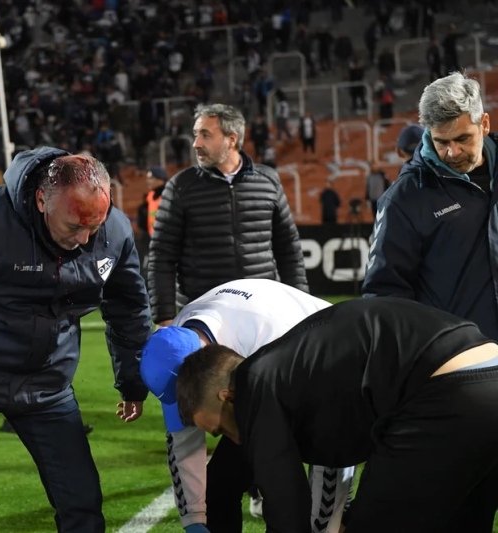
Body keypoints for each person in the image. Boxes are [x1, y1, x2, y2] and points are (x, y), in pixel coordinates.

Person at [0, 148, 151, 533]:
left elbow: (129, 306)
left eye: (95, 224)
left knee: (83, 506)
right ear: (42, 200)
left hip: (48, 385)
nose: (85, 238)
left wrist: (133, 381)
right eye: (74, 225)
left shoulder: (115, 231)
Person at [176, 297, 498, 532]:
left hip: (444, 391)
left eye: (221, 429)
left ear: (227, 396)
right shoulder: (288, 365)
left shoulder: (255, 381)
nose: (234, 441)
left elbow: (286, 507)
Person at [140, 279, 354, 533]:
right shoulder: (178, 338)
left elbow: (332, 437)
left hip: (340, 386)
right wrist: (195, 520)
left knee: (286, 499)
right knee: (219, 489)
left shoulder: (275, 344)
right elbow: (182, 444)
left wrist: (324, 524)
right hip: (262, 389)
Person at [362, 72, 498, 341]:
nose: (452, 153)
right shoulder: (403, 199)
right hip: (458, 361)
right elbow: (384, 295)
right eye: (441, 142)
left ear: (484, 123)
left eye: (462, 139)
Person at [147, 103, 307, 327]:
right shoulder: (180, 186)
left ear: (232, 139)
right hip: (203, 315)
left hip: (261, 311)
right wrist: (164, 318)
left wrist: (299, 303)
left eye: (205, 135)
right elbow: (161, 257)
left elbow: (289, 249)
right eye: (195, 135)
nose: (196, 144)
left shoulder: (269, 181)